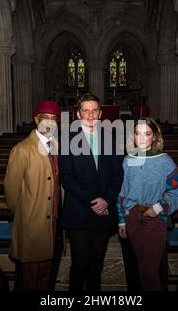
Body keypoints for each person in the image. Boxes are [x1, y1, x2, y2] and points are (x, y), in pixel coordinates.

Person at [60, 94, 123, 292]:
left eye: (94, 110)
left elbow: (118, 174)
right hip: (79, 210)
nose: (90, 114)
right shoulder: (66, 140)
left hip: (104, 210)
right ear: (78, 114)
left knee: (97, 261)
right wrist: (93, 201)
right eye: (85, 110)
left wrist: (106, 200)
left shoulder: (111, 139)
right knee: (79, 263)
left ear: (100, 114)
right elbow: (67, 178)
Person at [117, 118, 178, 291]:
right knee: (141, 263)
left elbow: (175, 191)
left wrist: (158, 207)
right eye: (138, 133)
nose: (142, 137)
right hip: (132, 217)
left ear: (154, 137)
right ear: (133, 137)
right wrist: (122, 220)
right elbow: (122, 194)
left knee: (149, 269)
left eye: (147, 133)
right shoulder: (128, 160)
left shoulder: (165, 161)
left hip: (154, 217)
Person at [4, 100, 62, 291]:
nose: (50, 122)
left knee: (47, 274)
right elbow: (11, 192)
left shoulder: (57, 146)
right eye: (46, 118)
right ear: (36, 119)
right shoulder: (22, 149)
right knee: (30, 277)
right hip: (32, 221)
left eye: (54, 119)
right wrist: (25, 215)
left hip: (53, 222)